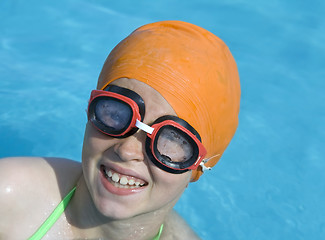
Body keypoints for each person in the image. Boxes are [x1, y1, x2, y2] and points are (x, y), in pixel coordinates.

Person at [0, 20, 240, 239]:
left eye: (171, 138)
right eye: (116, 114)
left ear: (199, 165)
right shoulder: (10, 199)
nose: (127, 150)